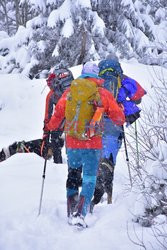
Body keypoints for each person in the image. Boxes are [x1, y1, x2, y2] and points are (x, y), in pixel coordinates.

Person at [44, 61, 125, 228]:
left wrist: (49, 128)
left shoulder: (69, 92)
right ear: (96, 75)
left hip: (72, 142)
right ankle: (81, 212)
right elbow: (119, 118)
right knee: (89, 177)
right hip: (92, 143)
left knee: (73, 174)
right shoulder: (102, 93)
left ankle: (70, 208)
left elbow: (57, 117)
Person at [90, 57, 146, 212]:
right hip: (116, 121)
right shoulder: (122, 78)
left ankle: (93, 193)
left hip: (98, 121)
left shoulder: (97, 80)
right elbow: (139, 96)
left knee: (98, 156)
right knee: (109, 157)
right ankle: (108, 195)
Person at [0, 68, 74, 163]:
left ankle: (58, 164)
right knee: (63, 143)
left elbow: (47, 116)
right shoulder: (70, 92)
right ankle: (66, 164)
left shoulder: (51, 95)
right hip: (73, 119)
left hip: (61, 120)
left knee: (56, 142)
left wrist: (46, 134)